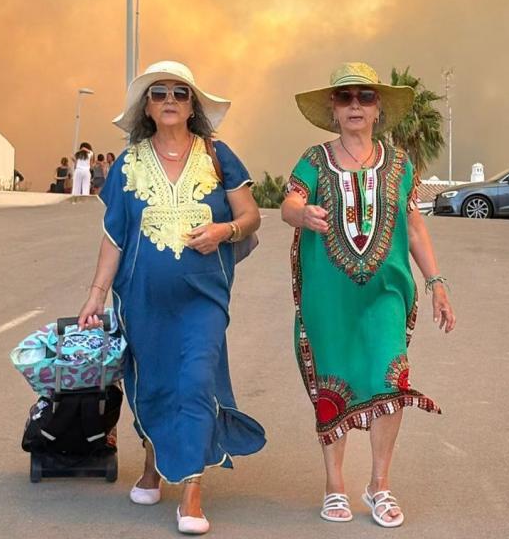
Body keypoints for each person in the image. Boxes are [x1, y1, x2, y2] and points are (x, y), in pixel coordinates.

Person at [77, 60, 264, 535]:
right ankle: (152, 465)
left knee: (196, 380)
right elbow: (114, 237)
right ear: (146, 106)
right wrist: (96, 295)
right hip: (142, 299)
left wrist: (224, 230)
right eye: (158, 93)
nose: (169, 101)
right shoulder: (129, 163)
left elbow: (251, 216)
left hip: (204, 297)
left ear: (192, 105)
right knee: (154, 382)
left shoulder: (218, 155)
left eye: (179, 93)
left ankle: (192, 493)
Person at [281, 62, 456, 528]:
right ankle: (334, 485)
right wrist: (302, 214)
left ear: (378, 109)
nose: (355, 105)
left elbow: (413, 226)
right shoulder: (314, 159)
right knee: (331, 383)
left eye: (365, 97)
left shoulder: (400, 165)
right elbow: (290, 202)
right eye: (345, 97)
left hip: (386, 294)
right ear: (333, 110)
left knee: (389, 378)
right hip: (328, 298)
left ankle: (380, 485)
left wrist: (436, 282)